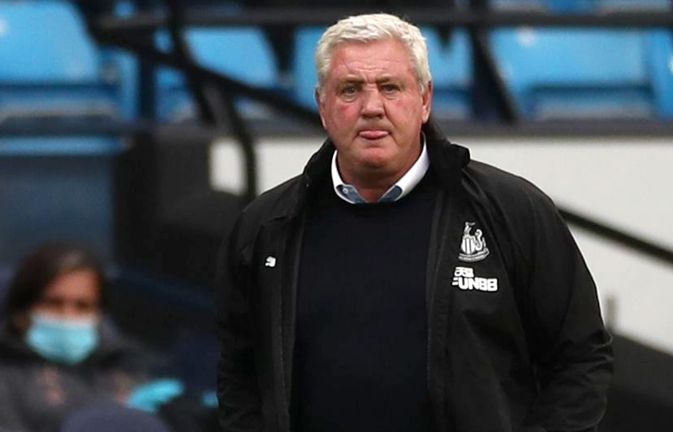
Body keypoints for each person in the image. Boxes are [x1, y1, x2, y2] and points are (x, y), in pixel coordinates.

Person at [216, 13, 613, 432]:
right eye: (350, 90)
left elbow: (581, 359)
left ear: (424, 100)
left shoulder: (513, 211)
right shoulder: (265, 228)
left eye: (390, 87)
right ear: (322, 105)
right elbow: (238, 373)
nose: (371, 107)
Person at [0, 243, 179, 432]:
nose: (67, 315)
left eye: (82, 306)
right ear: (21, 312)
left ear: (100, 315)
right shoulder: (6, 378)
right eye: (53, 303)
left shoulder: (124, 369)